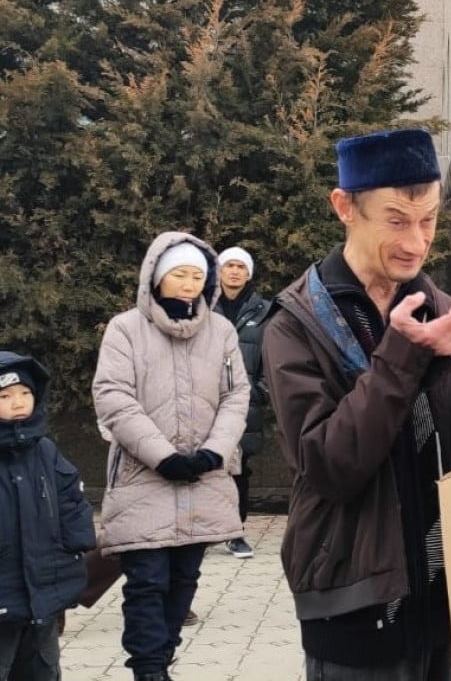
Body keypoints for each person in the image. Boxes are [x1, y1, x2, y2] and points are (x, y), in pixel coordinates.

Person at [262, 128, 451, 681]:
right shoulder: (298, 321)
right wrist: (403, 354)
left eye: (429, 220)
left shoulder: (437, 307)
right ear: (345, 208)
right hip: (354, 599)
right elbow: (331, 466)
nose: (416, 241)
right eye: (396, 220)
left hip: (445, 593)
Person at [93, 233, 250, 681]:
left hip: (204, 478)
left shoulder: (221, 331)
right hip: (144, 480)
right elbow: (112, 396)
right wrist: (162, 456)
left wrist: (214, 452)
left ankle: (161, 663)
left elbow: (237, 395)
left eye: (198, 276)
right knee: (146, 583)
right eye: (179, 274)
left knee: (184, 581)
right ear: (156, 278)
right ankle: (148, 670)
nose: (188, 283)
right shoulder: (125, 329)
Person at [0, 352, 96, 681]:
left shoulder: (45, 450)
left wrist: (76, 546)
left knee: (42, 668)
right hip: (4, 593)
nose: (18, 402)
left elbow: (71, 500)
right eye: (5, 396)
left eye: (25, 393)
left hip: (43, 594)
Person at [213, 245, 273, 559]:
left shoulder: (263, 311)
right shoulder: (202, 307)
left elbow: (272, 360)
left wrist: (259, 392)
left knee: (240, 470)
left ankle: (235, 533)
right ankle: (204, 532)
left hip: (244, 408)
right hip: (205, 406)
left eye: (241, 266)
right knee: (203, 470)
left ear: (248, 273)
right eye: (229, 265)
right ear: (219, 271)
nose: (234, 271)